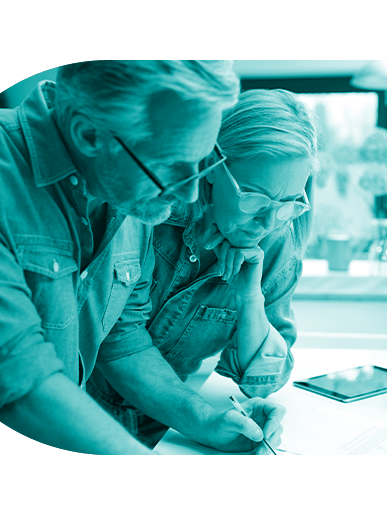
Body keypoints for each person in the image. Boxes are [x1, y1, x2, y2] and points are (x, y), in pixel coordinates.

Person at [0, 60, 285, 455]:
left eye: (202, 162)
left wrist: (202, 419)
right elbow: (14, 380)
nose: (191, 195)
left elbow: (122, 340)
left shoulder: (127, 190)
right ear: (88, 134)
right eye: (172, 167)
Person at [86, 88, 319, 446]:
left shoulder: (277, 246)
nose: (269, 221)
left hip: (166, 429)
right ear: (212, 166)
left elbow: (262, 381)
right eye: (254, 198)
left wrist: (249, 299)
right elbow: (117, 339)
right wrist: (202, 419)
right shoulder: (150, 210)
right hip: (82, 413)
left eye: (289, 203)